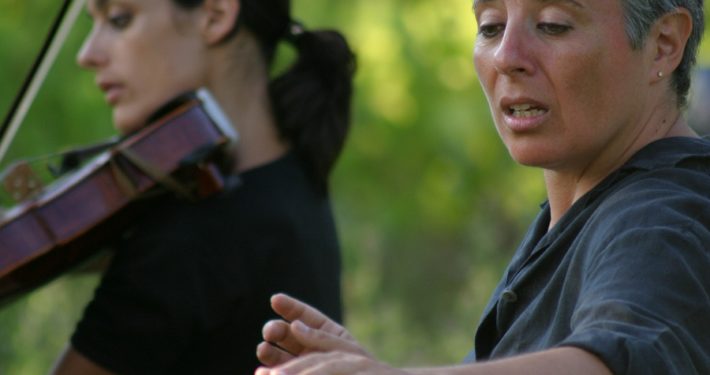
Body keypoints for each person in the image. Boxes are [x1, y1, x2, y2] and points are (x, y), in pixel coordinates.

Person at [254, 0, 710, 374]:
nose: (508, 57)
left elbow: (618, 364)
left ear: (663, 44)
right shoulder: (578, 213)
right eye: (490, 27)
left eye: (552, 26)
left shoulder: (665, 217)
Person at [49, 0, 356, 374]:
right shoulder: (296, 179)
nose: (87, 54)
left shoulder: (187, 239)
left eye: (119, 19)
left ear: (215, 15)